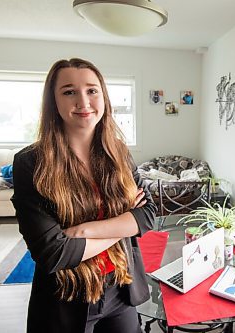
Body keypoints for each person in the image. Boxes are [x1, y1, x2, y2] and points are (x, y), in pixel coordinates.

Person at [11, 58, 157, 333]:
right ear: (53, 102)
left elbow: (147, 215)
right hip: (66, 298)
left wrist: (83, 231)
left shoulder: (119, 153)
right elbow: (53, 252)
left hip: (120, 288)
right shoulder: (31, 163)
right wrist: (123, 225)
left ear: (104, 97)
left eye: (92, 90)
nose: (83, 101)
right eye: (69, 92)